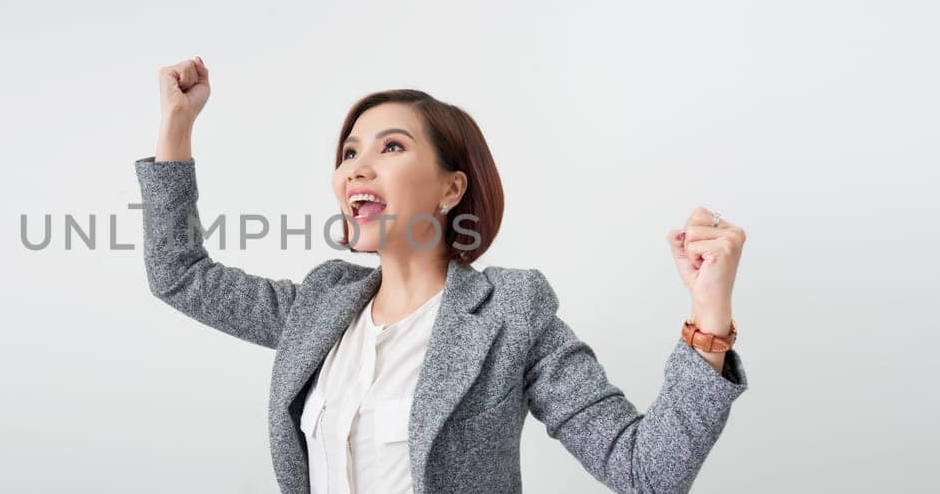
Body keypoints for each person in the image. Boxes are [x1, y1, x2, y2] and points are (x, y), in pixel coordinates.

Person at [134, 56, 749, 494]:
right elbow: (179, 275)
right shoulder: (320, 305)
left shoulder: (512, 314)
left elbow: (647, 472)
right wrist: (177, 127)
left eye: (391, 148)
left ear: (451, 188)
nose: (357, 168)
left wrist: (709, 315)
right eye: (349, 153)